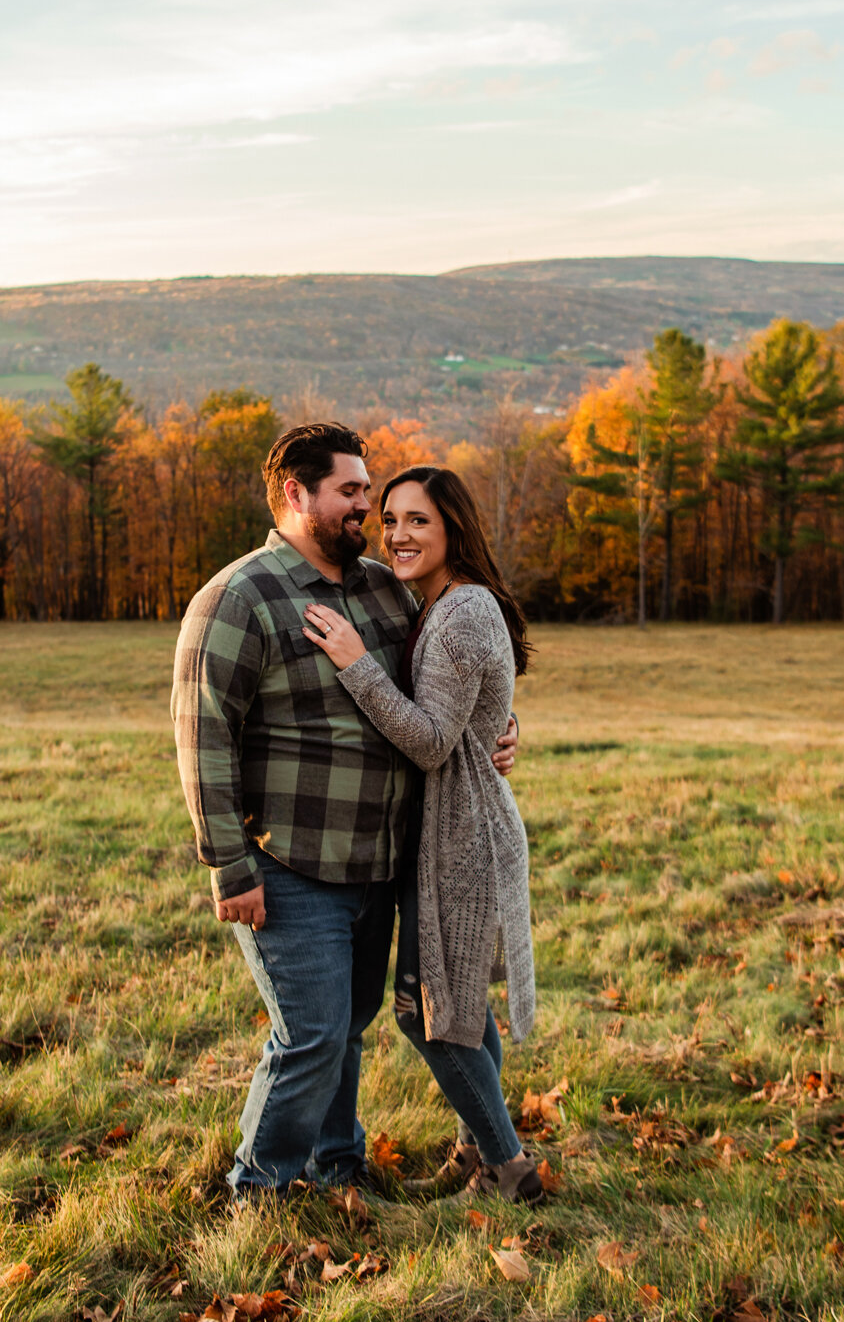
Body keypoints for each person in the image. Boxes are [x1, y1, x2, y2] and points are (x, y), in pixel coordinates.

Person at [173, 424, 520, 1202]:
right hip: (290, 865)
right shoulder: (240, 598)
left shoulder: (381, 590)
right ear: (297, 494)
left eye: (370, 489)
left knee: (350, 1027)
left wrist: (500, 725)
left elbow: (442, 693)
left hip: (383, 864)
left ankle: (337, 1163)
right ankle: (256, 1190)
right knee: (314, 1033)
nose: (368, 505)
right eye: (352, 491)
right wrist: (231, 866)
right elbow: (204, 739)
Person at [299, 463, 542, 1202]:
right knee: (461, 1002)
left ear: (453, 529)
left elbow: (434, 740)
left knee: (429, 1014)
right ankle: (479, 1150)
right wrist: (501, 728)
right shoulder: (440, 602)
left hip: (463, 841)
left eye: (418, 521)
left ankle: (509, 1168)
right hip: (447, 834)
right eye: (391, 519)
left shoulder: (462, 611)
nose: (398, 535)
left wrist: (356, 664)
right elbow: (475, 715)